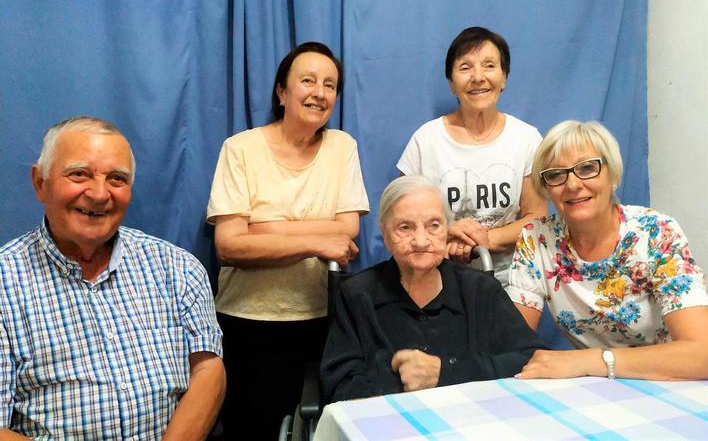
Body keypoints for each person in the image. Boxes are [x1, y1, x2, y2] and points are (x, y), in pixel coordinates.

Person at [0, 117, 225, 440]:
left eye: (117, 179)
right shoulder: (5, 282)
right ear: (40, 182)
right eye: (79, 174)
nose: (99, 193)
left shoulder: (177, 268)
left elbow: (208, 369)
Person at [207, 42, 369, 438]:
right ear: (282, 91)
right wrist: (315, 241)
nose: (319, 92)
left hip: (320, 320)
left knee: (317, 429)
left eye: (330, 85)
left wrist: (263, 230)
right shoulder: (240, 148)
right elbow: (229, 247)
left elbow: (347, 230)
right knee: (252, 430)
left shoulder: (342, 146)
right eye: (308, 81)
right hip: (247, 322)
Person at [507, 120, 708, 380]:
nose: (572, 184)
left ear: (613, 175)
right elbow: (511, 341)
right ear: (546, 188)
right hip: (599, 391)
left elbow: (701, 354)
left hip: (672, 382)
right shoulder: (536, 239)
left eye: (588, 168)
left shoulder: (656, 232)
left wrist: (593, 360)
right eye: (556, 174)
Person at [320, 176, 546, 403]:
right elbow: (339, 385)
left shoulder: (481, 290)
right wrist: (401, 382)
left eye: (434, 226)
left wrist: (445, 371)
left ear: (447, 229)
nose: (421, 241)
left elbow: (529, 359)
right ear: (385, 234)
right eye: (405, 227)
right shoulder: (357, 296)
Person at [397, 27, 547, 286]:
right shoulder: (425, 140)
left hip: (511, 280)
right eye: (465, 68)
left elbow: (536, 217)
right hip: (438, 277)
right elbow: (400, 218)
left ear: (504, 78)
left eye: (489, 66)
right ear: (451, 83)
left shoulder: (527, 138)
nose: (478, 77)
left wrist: (488, 239)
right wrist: (446, 233)